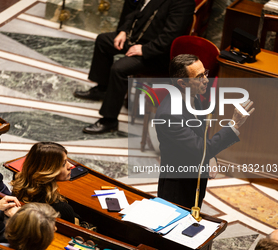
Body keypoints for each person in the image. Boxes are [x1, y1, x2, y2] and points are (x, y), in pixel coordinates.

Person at [74, 0, 195, 134]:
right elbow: (135, 12)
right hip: (136, 39)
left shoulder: (184, 3)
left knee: (119, 69)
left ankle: (109, 121)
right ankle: (102, 89)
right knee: (103, 41)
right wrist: (123, 31)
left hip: (157, 54)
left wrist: (145, 49)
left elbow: (171, 36)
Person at [155, 54, 255, 208]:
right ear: (182, 83)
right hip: (177, 185)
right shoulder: (169, 115)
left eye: (205, 73)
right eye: (199, 76)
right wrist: (234, 124)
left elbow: (201, 134)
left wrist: (211, 157)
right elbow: (200, 148)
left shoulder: (194, 97)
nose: (206, 80)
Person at [11, 142, 76, 223]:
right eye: (63, 164)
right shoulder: (61, 209)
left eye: (67, 161)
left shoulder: (18, 186)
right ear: (48, 171)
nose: (70, 166)